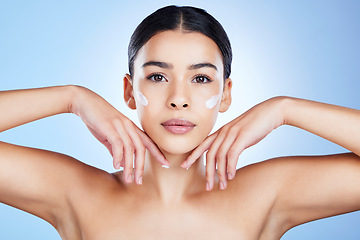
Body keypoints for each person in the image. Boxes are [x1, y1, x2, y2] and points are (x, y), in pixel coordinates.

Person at [1, 5, 360, 240]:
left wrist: (284, 109)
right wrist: (72, 98)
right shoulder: (72, 190)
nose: (178, 98)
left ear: (226, 95)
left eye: (201, 78)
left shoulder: (268, 193)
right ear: (129, 91)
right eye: (157, 77)